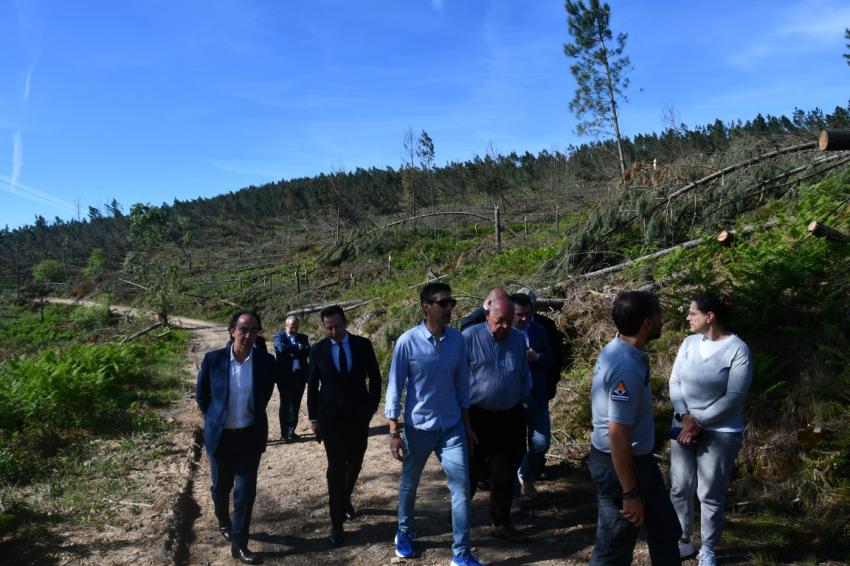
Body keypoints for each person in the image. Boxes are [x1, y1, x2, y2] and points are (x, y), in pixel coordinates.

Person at [385, 282, 482, 566]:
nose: (449, 308)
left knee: (462, 488)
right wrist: (394, 430)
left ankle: (461, 553)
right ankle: (404, 532)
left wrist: (467, 427)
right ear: (426, 307)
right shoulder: (407, 341)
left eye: (451, 302)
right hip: (419, 428)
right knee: (410, 483)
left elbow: (463, 386)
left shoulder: (457, 341)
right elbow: (395, 387)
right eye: (443, 303)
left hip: (452, 427)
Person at [589, 291, 681, 565]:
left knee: (665, 530)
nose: (663, 319)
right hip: (620, 467)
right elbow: (617, 434)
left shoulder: (625, 350)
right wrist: (629, 493)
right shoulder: (625, 366)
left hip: (640, 462)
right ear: (647, 324)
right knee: (614, 548)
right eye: (658, 314)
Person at [669, 293, 752, 566]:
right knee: (680, 487)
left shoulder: (737, 349)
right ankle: (683, 540)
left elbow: (735, 395)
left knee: (709, 492)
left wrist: (698, 421)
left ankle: (708, 548)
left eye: (693, 313)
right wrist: (684, 416)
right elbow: (675, 382)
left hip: (721, 432)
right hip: (683, 424)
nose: (688, 318)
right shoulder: (689, 343)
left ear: (710, 317)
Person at [196, 310, 276, 565]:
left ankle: (239, 544)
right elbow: (202, 395)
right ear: (232, 331)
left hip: (249, 438)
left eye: (254, 330)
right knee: (221, 487)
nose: (248, 335)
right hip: (221, 438)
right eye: (243, 329)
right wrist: (214, 419)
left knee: (245, 492)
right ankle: (223, 520)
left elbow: (264, 395)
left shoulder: (265, 362)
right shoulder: (214, 360)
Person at [307, 305, 382, 546]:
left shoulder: (362, 345)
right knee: (336, 468)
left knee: (356, 461)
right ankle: (336, 524)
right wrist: (314, 418)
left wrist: (371, 407)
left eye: (337, 326)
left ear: (345, 322)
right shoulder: (318, 350)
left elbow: (375, 377)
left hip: (358, 416)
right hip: (331, 419)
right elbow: (312, 386)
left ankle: (345, 497)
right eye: (329, 328)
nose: (334, 332)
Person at [464, 297, 531, 542]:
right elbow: (457, 378)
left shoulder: (517, 339)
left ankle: (501, 522)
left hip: (510, 415)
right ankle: (460, 525)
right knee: (469, 473)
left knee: (504, 472)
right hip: (478, 415)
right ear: (487, 317)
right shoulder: (469, 338)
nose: (504, 326)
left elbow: (524, 373)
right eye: (499, 321)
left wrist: (523, 400)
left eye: (508, 321)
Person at [510, 292, 553, 498]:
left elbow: (551, 358)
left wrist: (537, 357)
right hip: (512, 400)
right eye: (519, 314)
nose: (523, 318)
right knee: (513, 449)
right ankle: (514, 497)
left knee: (541, 443)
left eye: (527, 314)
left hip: (537, 395)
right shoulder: (502, 333)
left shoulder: (538, 330)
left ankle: (524, 473)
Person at [273, 315, 311, 442]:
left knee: (296, 404)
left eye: (296, 327)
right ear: (286, 326)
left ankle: (291, 431)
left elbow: (308, 351)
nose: (294, 329)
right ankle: (284, 433)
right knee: (285, 404)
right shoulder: (279, 337)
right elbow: (281, 348)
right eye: (291, 327)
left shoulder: (303, 337)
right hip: (284, 377)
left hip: (299, 376)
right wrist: (298, 348)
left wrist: (292, 351)